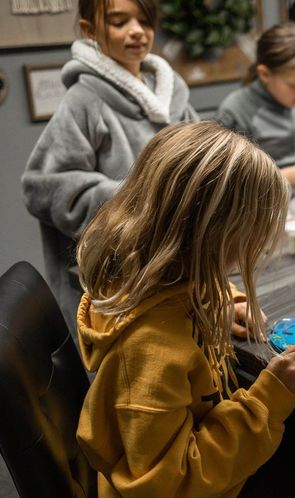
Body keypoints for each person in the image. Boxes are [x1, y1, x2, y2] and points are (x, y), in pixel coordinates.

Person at [75, 121, 295, 498]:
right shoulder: (151, 352)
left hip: (196, 482)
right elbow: (173, 482)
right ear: (210, 237)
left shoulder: (147, 282)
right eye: (250, 235)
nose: (259, 246)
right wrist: (269, 399)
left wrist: (224, 302)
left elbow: (182, 292)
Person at [21, 0, 198, 336]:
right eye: (119, 22)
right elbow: (42, 186)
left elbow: (198, 160)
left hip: (173, 265)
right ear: (90, 30)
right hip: (114, 280)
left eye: (144, 22)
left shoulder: (171, 96)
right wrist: (136, 197)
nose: (136, 31)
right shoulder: (84, 101)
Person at [216, 22, 295, 193]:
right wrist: (285, 176)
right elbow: (226, 181)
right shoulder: (235, 110)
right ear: (265, 74)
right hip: (264, 206)